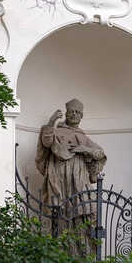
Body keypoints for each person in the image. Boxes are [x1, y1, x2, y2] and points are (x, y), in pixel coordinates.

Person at [34, 99, 108, 253]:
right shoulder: (56, 131)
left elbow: (100, 153)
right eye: (71, 111)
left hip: (79, 178)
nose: (74, 114)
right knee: (60, 213)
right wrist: (51, 122)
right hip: (59, 178)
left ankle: (82, 253)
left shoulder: (82, 136)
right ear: (66, 113)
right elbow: (46, 142)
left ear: (81, 116)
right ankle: (61, 251)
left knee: (84, 211)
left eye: (77, 112)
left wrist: (84, 149)